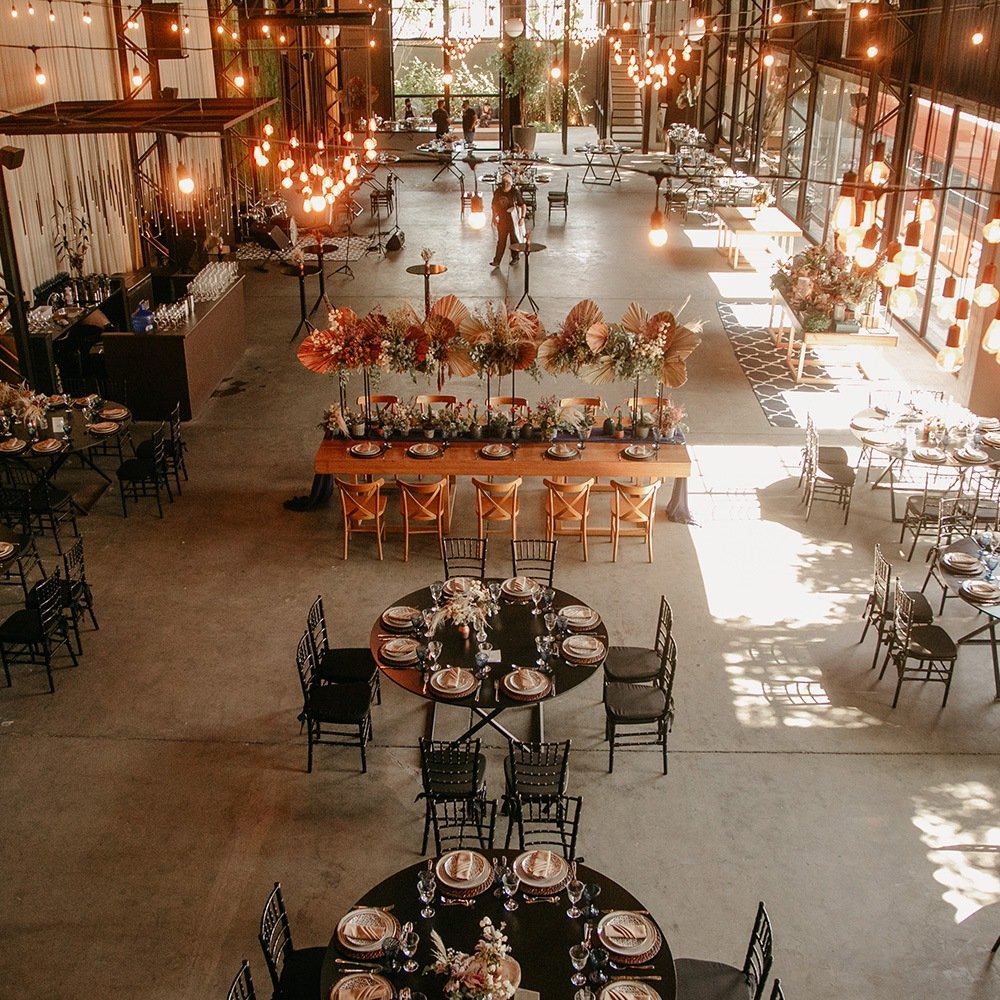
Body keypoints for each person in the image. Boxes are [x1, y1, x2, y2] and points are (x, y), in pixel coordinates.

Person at [490, 172, 526, 267]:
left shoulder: (515, 192)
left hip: (513, 220)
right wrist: (494, 217)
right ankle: (497, 261)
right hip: (502, 220)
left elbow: (523, 205)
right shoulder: (498, 192)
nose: (505, 184)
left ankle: (515, 258)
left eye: (507, 182)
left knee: (514, 240)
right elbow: (494, 206)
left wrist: (522, 218)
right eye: (504, 182)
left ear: (511, 183)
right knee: (501, 241)